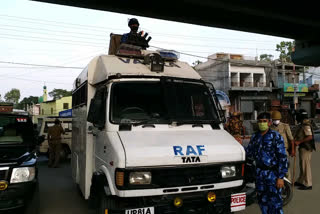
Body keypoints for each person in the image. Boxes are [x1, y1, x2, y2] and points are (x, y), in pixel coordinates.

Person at [245, 112, 288, 214]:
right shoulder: (255, 137)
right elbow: (249, 153)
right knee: (263, 203)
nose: (262, 123)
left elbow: (282, 157)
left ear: (269, 123)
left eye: (264, 121)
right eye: (260, 121)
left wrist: (281, 177)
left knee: (275, 204)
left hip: (273, 175)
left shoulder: (275, 136)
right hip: (260, 175)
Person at [294, 109, 316, 190]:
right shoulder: (302, 124)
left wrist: (299, 142)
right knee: (302, 165)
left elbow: (309, 136)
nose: (296, 117)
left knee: (305, 165)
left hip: (306, 147)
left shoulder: (306, 125)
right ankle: (300, 180)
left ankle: (308, 184)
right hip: (303, 147)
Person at [270, 110, 294, 181]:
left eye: (277, 119)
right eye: (274, 119)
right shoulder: (270, 128)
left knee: (286, 167)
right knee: (276, 167)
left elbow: (291, 139)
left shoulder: (285, 126)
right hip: (274, 151)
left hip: (284, 150)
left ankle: (288, 182)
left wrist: (292, 150)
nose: (276, 121)